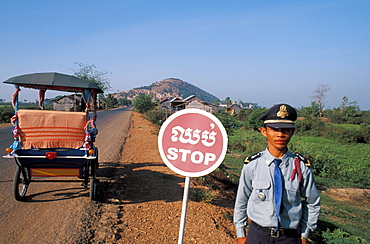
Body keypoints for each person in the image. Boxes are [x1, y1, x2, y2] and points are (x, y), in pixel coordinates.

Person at [233, 104, 320, 244]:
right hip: (258, 235)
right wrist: (240, 233)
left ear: (292, 132)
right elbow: (241, 200)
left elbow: (312, 202)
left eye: (286, 129)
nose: (280, 134)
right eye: (274, 129)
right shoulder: (252, 165)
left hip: (290, 237)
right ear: (264, 131)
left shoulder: (302, 167)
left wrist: (305, 234)